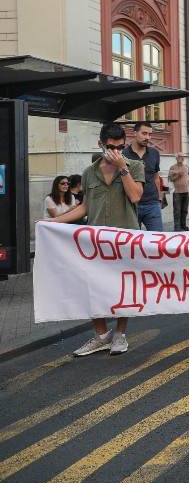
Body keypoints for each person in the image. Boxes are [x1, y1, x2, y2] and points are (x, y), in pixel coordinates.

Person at [46, 122, 144, 356]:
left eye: (120, 147)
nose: (115, 152)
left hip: (124, 238)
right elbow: (85, 208)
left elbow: (135, 196)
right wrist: (53, 223)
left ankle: (120, 334)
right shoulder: (90, 173)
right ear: (101, 144)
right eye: (111, 147)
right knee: (91, 288)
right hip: (96, 241)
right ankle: (101, 336)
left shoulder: (134, 166)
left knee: (124, 288)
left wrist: (123, 168)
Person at [122, 121, 163, 231]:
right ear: (135, 133)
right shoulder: (123, 154)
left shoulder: (154, 153)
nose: (148, 137)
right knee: (132, 242)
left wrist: (159, 198)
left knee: (158, 239)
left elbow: (156, 177)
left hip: (152, 204)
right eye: (144, 133)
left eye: (150, 134)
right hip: (132, 205)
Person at [167, 153, 189, 231]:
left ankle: (183, 225)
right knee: (177, 211)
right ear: (176, 158)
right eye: (180, 157)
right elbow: (171, 179)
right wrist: (178, 175)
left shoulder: (186, 166)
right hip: (177, 192)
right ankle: (177, 227)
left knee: (184, 210)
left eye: (183, 157)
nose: (182, 158)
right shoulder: (173, 167)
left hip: (186, 191)